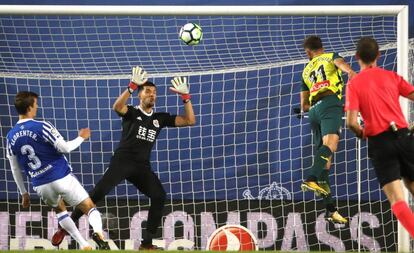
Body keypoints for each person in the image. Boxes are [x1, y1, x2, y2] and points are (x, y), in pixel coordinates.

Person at [52, 66, 196, 249]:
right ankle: (65, 228)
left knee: (159, 195)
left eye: (154, 93)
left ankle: (147, 244)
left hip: (142, 167)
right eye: (148, 91)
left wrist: (186, 98)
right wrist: (132, 86)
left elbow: (190, 120)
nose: (152, 95)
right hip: (122, 162)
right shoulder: (132, 112)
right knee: (97, 194)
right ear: (140, 95)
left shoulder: (160, 118)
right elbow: (117, 106)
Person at [6, 91, 110, 250]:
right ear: (29, 107)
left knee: (61, 211)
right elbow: (65, 148)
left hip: (40, 185)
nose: (37, 107)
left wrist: (24, 193)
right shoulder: (42, 126)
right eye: (35, 104)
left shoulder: (10, 136)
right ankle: (98, 233)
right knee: (89, 207)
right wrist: (81, 137)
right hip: (61, 176)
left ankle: (83, 245)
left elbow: (14, 168)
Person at [345, 37, 414, 238]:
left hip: (379, 142)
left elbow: (351, 122)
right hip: (403, 136)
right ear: (379, 55)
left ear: (357, 57)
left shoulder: (354, 84)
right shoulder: (391, 76)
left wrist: (362, 133)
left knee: (397, 199)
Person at [298, 35, 356, 224]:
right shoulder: (331, 55)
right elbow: (341, 64)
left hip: (314, 112)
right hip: (330, 102)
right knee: (331, 145)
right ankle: (310, 178)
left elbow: (304, 105)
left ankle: (331, 210)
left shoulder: (306, 71)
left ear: (308, 52)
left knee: (325, 162)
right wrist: (351, 72)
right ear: (321, 47)